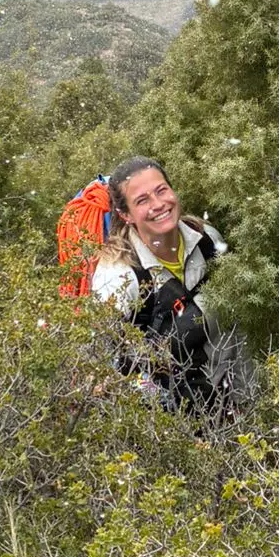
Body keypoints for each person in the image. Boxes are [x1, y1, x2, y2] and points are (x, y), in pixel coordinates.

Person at [90, 156, 233, 408]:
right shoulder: (118, 277)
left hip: (226, 399)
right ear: (125, 214)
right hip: (162, 416)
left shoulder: (207, 241)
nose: (158, 204)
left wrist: (246, 401)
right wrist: (160, 414)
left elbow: (237, 329)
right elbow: (98, 366)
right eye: (142, 200)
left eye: (161, 190)